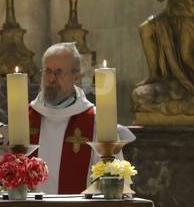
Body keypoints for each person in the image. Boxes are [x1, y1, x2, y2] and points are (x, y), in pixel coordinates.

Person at [28, 42, 134, 194]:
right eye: (47, 71)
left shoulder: (95, 120)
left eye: (59, 72)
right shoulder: (26, 117)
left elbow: (111, 174)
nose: (51, 79)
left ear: (76, 77)